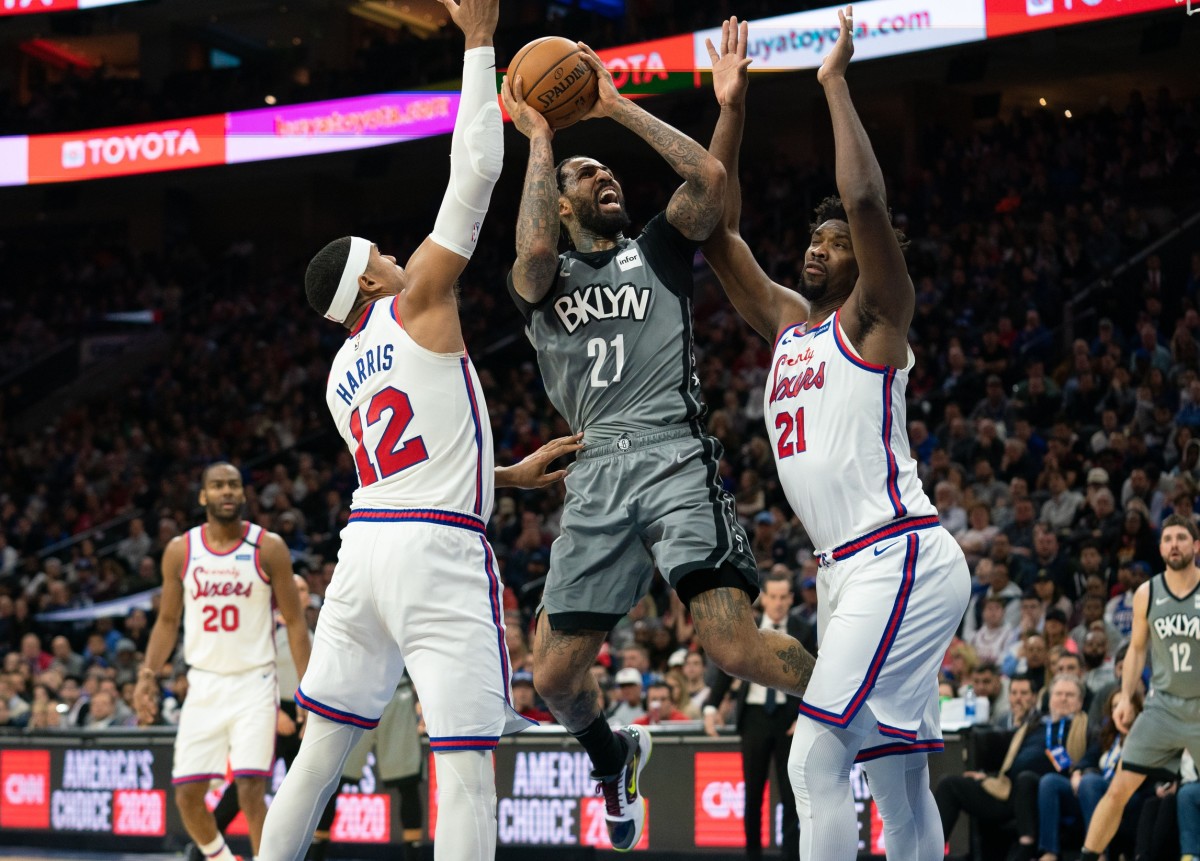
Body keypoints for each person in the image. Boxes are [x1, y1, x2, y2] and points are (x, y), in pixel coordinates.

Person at [258, 3, 581, 857]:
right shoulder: (419, 302)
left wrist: (503, 474)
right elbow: (474, 174)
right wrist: (478, 44)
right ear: (370, 283)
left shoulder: (338, 378)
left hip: (364, 552)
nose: (402, 258)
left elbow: (406, 469)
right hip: (436, 550)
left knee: (317, 759)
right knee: (466, 768)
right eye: (385, 257)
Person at [501, 17, 815, 852]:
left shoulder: (660, 248)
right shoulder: (540, 278)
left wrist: (611, 106)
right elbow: (533, 250)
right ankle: (615, 759)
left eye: (605, 170)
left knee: (732, 645)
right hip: (595, 465)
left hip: (674, 452)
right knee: (553, 675)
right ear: (559, 199)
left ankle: (858, 703)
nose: (603, 175)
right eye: (586, 174)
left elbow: (708, 179)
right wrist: (541, 137)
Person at [701, 11, 970, 858]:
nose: (819, 250)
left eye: (836, 244)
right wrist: (732, 110)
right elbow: (715, 231)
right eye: (814, 241)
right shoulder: (789, 323)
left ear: (865, 258)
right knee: (896, 776)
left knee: (814, 755)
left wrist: (834, 83)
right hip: (845, 571)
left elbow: (863, 200)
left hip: (898, 553)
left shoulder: (877, 317)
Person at [133, 462, 312, 861]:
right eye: (217, 485)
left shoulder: (268, 547)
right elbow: (167, 621)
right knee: (187, 796)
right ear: (203, 496)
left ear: (243, 494)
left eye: (233, 485)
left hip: (254, 681)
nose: (226, 491)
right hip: (204, 684)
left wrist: (307, 688)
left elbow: (296, 623)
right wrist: (147, 674)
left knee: (251, 788)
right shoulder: (181, 550)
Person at [1080, 514, 1200, 860]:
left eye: (1181, 538)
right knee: (1118, 789)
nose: (1174, 544)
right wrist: (1125, 697)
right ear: (1160, 548)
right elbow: (1135, 649)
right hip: (1162, 708)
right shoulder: (1147, 593)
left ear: (1196, 545)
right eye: (1167, 539)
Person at [701, 570, 816, 861]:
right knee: (752, 794)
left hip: (790, 719)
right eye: (773, 596)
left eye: (783, 597)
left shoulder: (804, 629)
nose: (778, 603)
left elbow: (815, 675)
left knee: (792, 795)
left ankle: (791, 856)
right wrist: (712, 706)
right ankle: (752, 855)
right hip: (753, 717)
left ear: (791, 599)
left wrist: (806, 715)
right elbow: (728, 666)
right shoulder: (747, 628)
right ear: (763, 598)